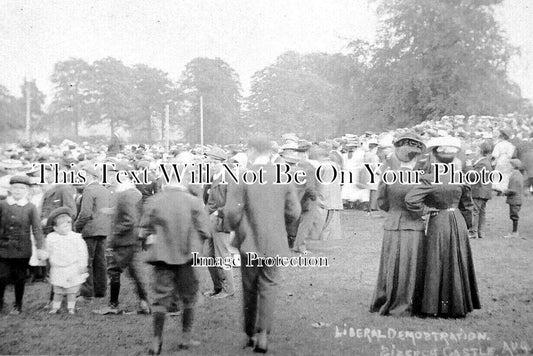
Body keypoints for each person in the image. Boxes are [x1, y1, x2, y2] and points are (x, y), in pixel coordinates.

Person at [225, 136, 301, 353]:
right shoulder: (283, 176)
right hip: (275, 240)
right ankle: (264, 334)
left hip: (249, 241)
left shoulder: (242, 176)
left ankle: (249, 333)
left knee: (249, 288)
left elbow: (231, 212)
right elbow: (294, 212)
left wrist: (234, 227)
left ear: (251, 149)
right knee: (269, 286)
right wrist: (281, 225)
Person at [405, 137, 480, 318]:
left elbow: (410, 200)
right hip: (458, 221)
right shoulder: (460, 177)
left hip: (438, 220)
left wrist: (425, 210)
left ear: (435, 157)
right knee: (456, 261)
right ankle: (457, 305)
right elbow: (468, 205)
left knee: (436, 261)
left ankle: (433, 305)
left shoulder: (429, 178)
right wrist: (467, 225)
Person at [140, 164, 211, 354]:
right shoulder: (194, 202)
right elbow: (205, 230)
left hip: (161, 257)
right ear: (184, 179)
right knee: (189, 298)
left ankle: (156, 341)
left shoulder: (154, 201)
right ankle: (185, 338)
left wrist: (151, 241)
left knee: (160, 300)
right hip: (187, 257)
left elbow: (143, 230)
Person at [370, 132, 426, 316]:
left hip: (393, 224)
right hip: (414, 226)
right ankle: (407, 302)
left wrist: (394, 210)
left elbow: (381, 201)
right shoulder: (421, 177)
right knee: (410, 266)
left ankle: (384, 299)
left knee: (390, 264)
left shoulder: (388, 174)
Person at [101, 163, 150, 314]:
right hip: (130, 240)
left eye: (112, 174)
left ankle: (113, 306)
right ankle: (145, 304)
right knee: (133, 273)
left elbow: (130, 219)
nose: (110, 178)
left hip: (124, 240)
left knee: (114, 270)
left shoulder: (125, 194)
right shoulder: (127, 192)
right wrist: (112, 212)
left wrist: (116, 232)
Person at [0, 175, 45, 314]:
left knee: (19, 278)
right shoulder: (2, 204)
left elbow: (37, 228)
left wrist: (41, 247)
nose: (18, 191)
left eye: (21, 188)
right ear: (10, 189)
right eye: (15, 187)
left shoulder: (30, 207)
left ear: (27, 191)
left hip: (22, 249)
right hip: (3, 247)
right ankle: (0, 302)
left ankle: (17, 304)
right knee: (1, 276)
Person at [74, 166, 111, 301]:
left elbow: (85, 213)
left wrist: (76, 226)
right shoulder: (105, 190)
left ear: (90, 176)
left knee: (86, 261)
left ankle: (86, 293)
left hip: (90, 230)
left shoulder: (88, 190)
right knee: (100, 261)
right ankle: (100, 291)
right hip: (103, 229)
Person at [203, 147, 235, 299]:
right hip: (210, 220)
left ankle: (228, 289)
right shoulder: (213, 176)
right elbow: (207, 199)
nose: (209, 163)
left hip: (221, 221)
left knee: (223, 256)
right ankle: (217, 287)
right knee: (208, 255)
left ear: (221, 162)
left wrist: (218, 212)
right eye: (208, 160)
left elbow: (235, 203)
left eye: (212, 161)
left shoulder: (228, 177)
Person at [45, 207, 88, 315]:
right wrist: (44, 256)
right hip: (58, 268)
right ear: (55, 228)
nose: (67, 227)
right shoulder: (51, 238)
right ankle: (55, 307)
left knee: (72, 290)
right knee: (58, 289)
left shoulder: (76, 238)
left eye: (68, 225)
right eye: (63, 226)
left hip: (72, 267)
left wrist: (83, 265)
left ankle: (71, 307)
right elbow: (47, 250)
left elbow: (82, 252)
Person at [465, 142, 492, 239]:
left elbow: (473, 176)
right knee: (482, 212)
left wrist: (468, 166)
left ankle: (473, 232)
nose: (475, 150)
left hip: (479, 190)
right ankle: (481, 232)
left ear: (480, 150)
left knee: (475, 211)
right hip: (484, 191)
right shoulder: (484, 161)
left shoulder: (483, 163)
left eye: (477, 148)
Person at [503, 159, 524, 239]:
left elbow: (513, 190)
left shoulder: (515, 176)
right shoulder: (517, 175)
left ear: (513, 166)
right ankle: (514, 232)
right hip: (516, 199)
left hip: (515, 200)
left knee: (514, 216)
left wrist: (504, 191)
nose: (508, 166)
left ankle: (515, 232)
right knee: (513, 216)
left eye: (509, 165)